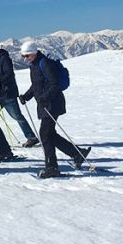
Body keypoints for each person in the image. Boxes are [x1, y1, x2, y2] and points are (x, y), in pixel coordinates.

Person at [18, 41, 90, 178]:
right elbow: (36, 85)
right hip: (46, 104)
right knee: (49, 134)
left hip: (52, 104)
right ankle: (77, 154)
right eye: (23, 56)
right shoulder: (34, 65)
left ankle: (52, 168)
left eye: (27, 56)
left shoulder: (44, 63)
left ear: (34, 52)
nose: (25, 59)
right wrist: (26, 97)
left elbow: (54, 84)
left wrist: (45, 97)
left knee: (45, 135)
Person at [0, 42, 39, 148]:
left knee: (17, 116)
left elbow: (9, 74)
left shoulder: (4, 59)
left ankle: (32, 138)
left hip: (8, 94)